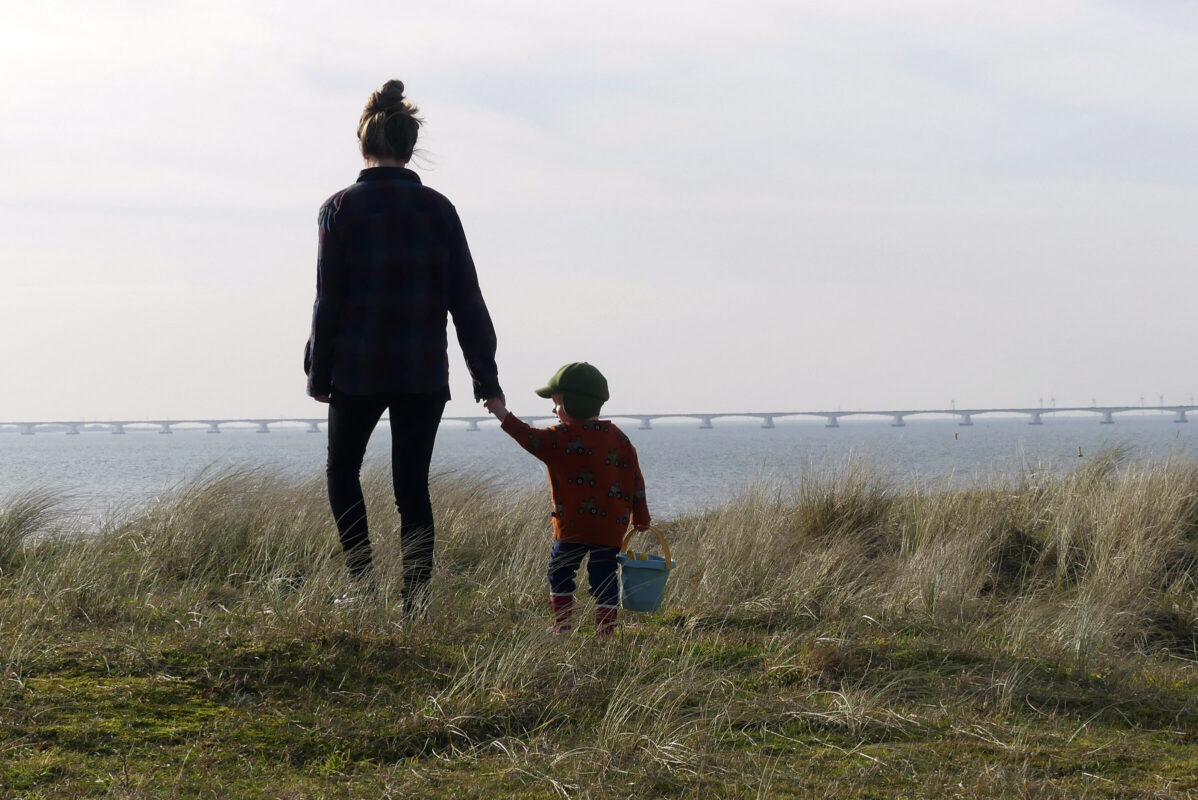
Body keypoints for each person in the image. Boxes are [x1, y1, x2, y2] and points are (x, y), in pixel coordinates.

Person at [304, 79, 503, 615]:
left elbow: (330, 300)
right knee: (411, 488)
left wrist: (317, 374)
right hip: (421, 371)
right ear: (410, 147)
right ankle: (414, 602)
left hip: (357, 368)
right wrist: (486, 380)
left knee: (342, 474)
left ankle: (362, 583)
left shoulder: (340, 207)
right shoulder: (439, 209)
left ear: (362, 144)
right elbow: (468, 299)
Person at [483, 362, 650, 636]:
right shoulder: (619, 438)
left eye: (557, 404)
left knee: (560, 572)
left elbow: (525, 435)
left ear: (572, 403)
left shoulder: (559, 438)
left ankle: (562, 627)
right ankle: (605, 633)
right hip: (610, 529)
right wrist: (640, 517)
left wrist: (500, 409)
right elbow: (635, 479)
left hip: (572, 527)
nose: (554, 410)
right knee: (604, 579)